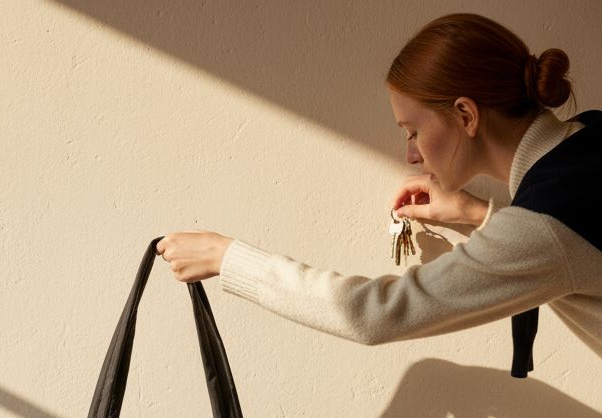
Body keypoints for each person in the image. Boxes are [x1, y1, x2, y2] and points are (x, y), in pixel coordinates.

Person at [155, 13, 602, 376]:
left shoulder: (545, 227)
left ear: (466, 114)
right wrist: (477, 215)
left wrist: (228, 258)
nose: (411, 155)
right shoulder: (589, 137)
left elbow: (371, 314)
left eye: (413, 131)